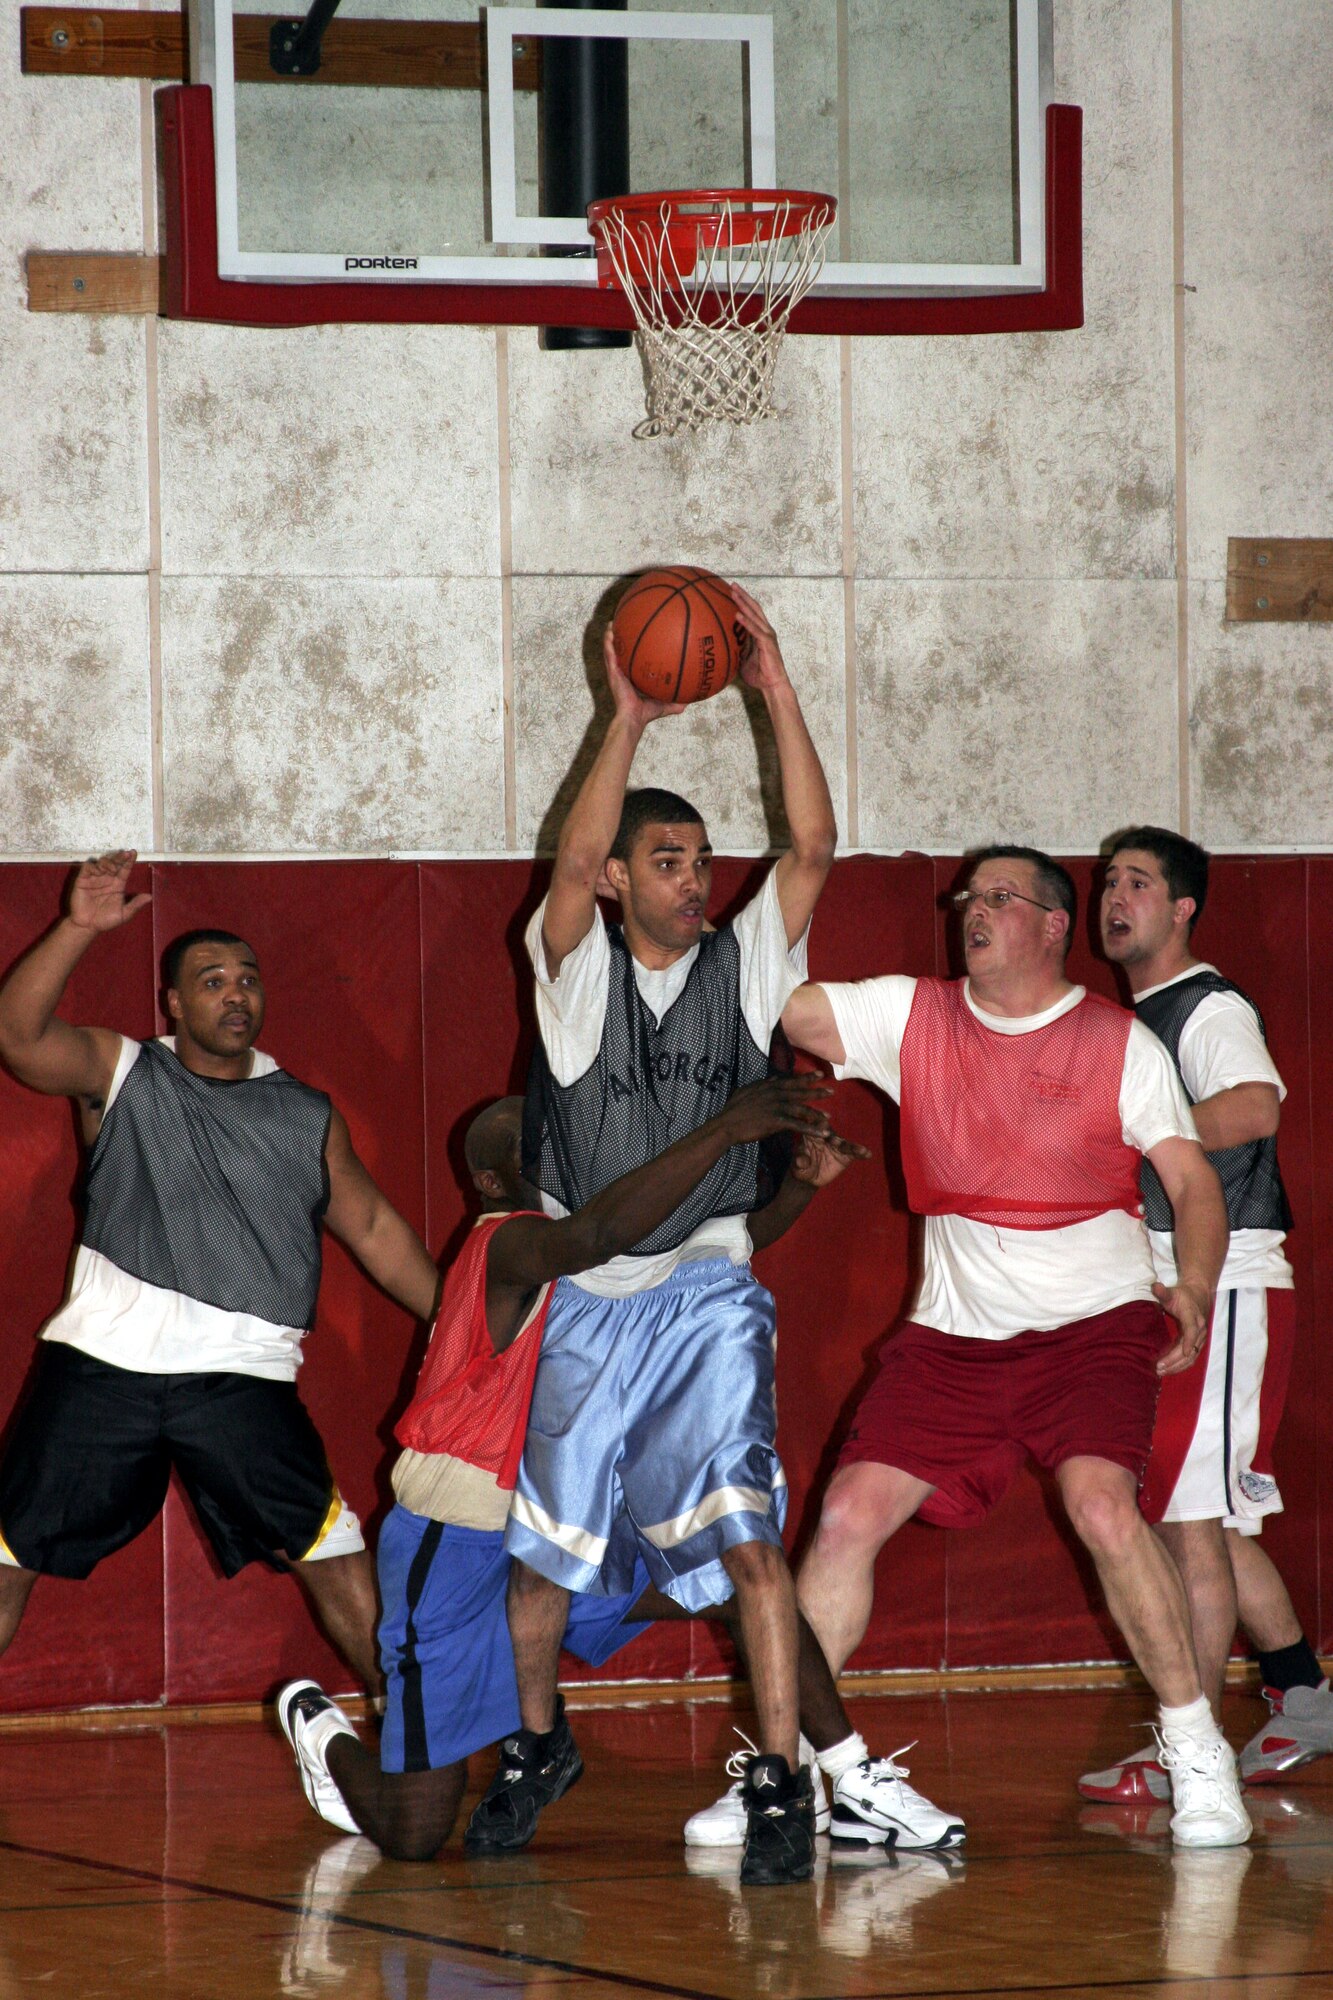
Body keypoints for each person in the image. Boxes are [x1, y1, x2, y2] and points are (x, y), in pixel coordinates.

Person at [780, 844, 1252, 1848]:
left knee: (1099, 1501)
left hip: (1094, 1325)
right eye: (966, 896)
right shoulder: (912, 1013)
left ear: (1051, 926)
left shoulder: (1118, 1040)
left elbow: (1196, 1181)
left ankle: (1195, 1746)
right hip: (953, 1335)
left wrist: (1196, 1288)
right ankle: (787, 1770)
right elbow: (788, 1006)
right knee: (847, 1515)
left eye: (1000, 896)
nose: (973, 910)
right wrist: (783, 881)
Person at [480, 584, 843, 1886]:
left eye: (701, 860)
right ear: (627, 880)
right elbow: (571, 869)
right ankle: (536, 1747)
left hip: (702, 1294)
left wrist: (777, 688)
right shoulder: (574, 978)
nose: (697, 880)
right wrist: (624, 717)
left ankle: (782, 1778)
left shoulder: (740, 969)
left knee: (749, 1535)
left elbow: (809, 846)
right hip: (592, 1303)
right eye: (671, 861)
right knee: (541, 1566)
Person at [277, 1076, 877, 1864]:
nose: (562, 1153)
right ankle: (327, 1738)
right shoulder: (512, 1237)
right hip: (454, 1540)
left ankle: (850, 1774)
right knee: (415, 1834)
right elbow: (599, 1233)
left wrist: (796, 1186)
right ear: (492, 1182)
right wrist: (724, 1131)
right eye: (538, 1147)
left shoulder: (597, 1233)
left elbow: (692, 1246)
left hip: (550, 1522)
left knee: (742, 1579)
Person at [0, 851, 440, 1687]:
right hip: (101, 1367)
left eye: (247, 979)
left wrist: (463, 1327)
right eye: (211, 980)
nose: (234, 994)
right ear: (173, 1003)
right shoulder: (121, 1070)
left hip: (240, 1376)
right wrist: (77, 929)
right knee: (7, 1555)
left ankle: (409, 1750)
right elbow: (16, 1039)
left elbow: (378, 1229)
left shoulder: (304, 1113)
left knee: (335, 1558)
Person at [1080, 826, 1328, 1801]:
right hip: (1188, 1284)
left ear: (1183, 907)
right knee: (1214, 1524)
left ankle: (1187, 1747)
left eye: (1136, 881)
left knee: (1187, 1523)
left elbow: (1256, 1105)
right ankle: (1300, 1691)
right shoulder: (1138, 1012)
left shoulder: (1206, 1003)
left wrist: (1141, 1136)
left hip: (1226, 1282)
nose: (1114, 895)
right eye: (1106, 880)